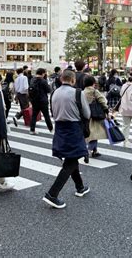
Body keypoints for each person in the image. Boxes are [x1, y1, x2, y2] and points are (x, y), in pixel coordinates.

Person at [43, 70, 91, 209]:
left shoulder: (54, 92)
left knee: (71, 158)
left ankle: (80, 187)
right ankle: (52, 193)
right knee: (70, 161)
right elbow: (87, 114)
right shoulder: (77, 93)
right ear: (73, 80)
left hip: (60, 127)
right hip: (73, 128)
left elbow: (52, 111)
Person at [84, 75, 109, 158]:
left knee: (91, 134)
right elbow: (103, 101)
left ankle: (95, 151)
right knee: (94, 135)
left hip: (85, 116)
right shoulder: (94, 91)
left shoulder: (82, 92)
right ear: (93, 83)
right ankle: (87, 151)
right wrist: (106, 110)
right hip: (95, 115)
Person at [117, 72, 132, 147]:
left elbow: (121, 94)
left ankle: (125, 141)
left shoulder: (124, 85)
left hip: (124, 108)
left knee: (125, 125)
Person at [28, 68, 53, 135]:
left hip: (34, 101)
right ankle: (51, 129)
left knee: (34, 115)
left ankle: (32, 130)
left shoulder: (32, 80)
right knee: (46, 115)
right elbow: (48, 90)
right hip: (43, 101)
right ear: (42, 73)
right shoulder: (43, 81)